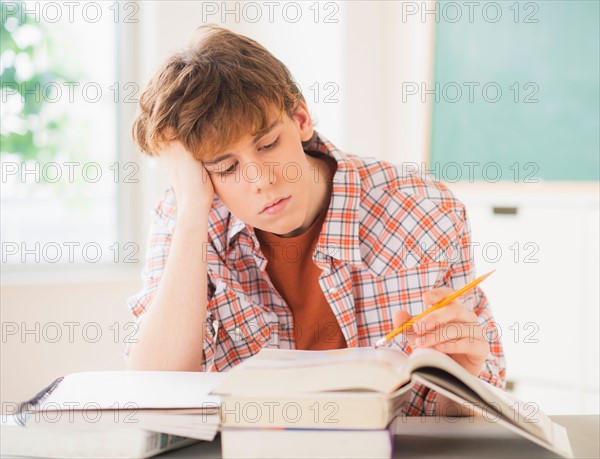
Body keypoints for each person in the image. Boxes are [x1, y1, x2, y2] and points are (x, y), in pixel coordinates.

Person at [126, 25, 505, 415]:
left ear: (301, 119)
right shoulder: (184, 215)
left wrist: (460, 388)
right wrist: (191, 207)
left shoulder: (424, 210)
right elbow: (153, 390)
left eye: (268, 144)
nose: (261, 181)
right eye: (226, 167)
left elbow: (463, 418)